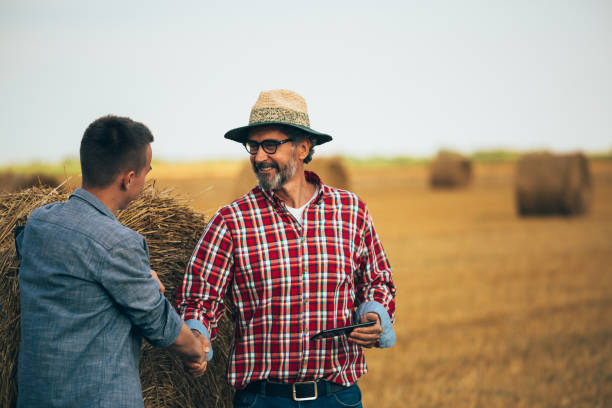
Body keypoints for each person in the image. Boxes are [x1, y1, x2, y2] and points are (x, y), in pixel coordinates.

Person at [176, 89, 396, 407]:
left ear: (303, 147)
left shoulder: (351, 210)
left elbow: (378, 281)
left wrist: (375, 314)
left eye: (270, 145)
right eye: (253, 146)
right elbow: (199, 298)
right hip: (262, 399)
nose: (259, 157)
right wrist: (197, 335)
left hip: (337, 398)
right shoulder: (230, 220)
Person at [15, 115, 207, 408]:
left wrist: (139, 279)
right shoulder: (119, 243)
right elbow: (158, 323)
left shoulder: (39, 222)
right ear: (129, 179)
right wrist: (196, 349)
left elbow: (75, 270)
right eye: (146, 172)